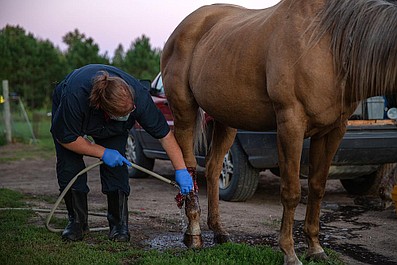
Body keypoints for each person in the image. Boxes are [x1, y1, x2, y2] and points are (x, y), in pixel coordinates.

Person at [51, 64, 193, 242]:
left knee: (117, 166)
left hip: (113, 126)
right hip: (73, 112)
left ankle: (119, 225)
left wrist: (181, 169)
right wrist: (102, 152)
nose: (132, 112)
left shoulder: (139, 99)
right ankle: (77, 222)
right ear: (106, 111)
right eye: (125, 113)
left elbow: (165, 135)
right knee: (69, 164)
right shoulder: (75, 97)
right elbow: (66, 138)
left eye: (131, 109)